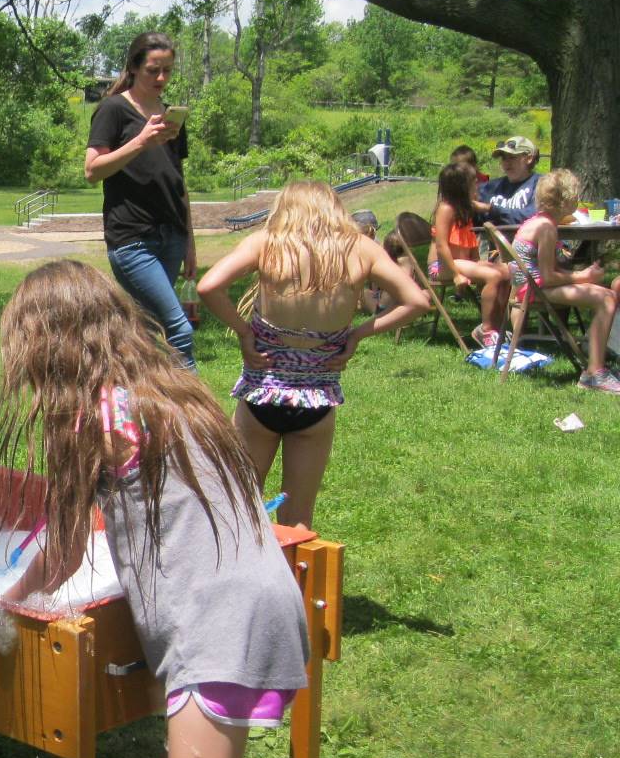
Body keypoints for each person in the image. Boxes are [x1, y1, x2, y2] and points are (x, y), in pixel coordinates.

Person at [0, 260, 310, 758]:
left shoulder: (98, 415)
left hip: (218, 625)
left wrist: (7, 600)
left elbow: (66, 547)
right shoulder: (166, 391)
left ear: (50, 345)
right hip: (259, 603)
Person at [196, 181, 427, 530]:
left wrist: (245, 332)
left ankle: (240, 581)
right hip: (316, 399)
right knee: (299, 516)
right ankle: (296, 581)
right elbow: (418, 301)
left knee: (240, 506)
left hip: (263, 392)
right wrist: (358, 334)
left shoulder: (267, 244)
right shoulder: (360, 249)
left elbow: (208, 286)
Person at [86, 31, 196, 367]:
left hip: (172, 236)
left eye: (167, 70)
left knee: (148, 332)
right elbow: (92, 171)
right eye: (153, 70)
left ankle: (139, 404)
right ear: (134, 68)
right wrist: (140, 142)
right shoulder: (113, 110)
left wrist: (190, 242)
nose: (161, 78)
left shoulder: (169, 115)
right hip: (133, 240)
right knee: (179, 329)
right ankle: (194, 413)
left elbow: (179, 182)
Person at [504, 168, 620, 395]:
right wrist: (584, 276)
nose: (578, 199)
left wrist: (582, 278)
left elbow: (549, 271)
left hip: (530, 288)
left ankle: (595, 356)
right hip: (533, 291)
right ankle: (594, 373)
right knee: (606, 298)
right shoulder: (546, 228)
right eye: (576, 195)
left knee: (605, 294)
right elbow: (546, 278)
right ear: (566, 200)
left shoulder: (539, 221)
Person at [431, 162, 510, 348]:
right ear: (462, 186)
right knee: (493, 275)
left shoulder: (465, 207)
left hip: (462, 262)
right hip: (442, 266)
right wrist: (456, 275)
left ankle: (498, 326)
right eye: (474, 182)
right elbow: (442, 246)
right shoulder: (446, 209)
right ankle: (486, 330)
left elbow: (471, 235)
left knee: (506, 271)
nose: (478, 185)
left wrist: (478, 261)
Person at [479, 136, 543, 225]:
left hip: (527, 238)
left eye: (512, 157)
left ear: (529, 158)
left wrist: (490, 209)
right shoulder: (489, 187)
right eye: (504, 158)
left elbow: (534, 216)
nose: (507, 162)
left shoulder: (542, 184)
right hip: (491, 238)